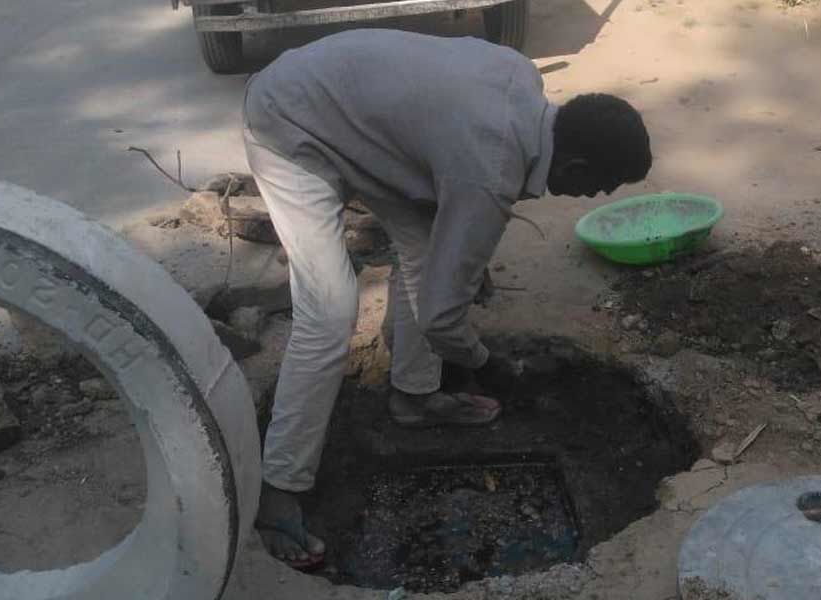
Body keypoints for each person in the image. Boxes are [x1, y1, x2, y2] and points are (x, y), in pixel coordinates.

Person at [242, 28, 652, 568]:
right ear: (574, 168)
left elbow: (451, 210)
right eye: (598, 188)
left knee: (428, 254)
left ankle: (413, 397)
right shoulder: (489, 165)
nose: (592, 198)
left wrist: (462, 263)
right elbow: (441, 316)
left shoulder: (522, 86)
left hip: (356, 120)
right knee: (330, 310)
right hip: (292, 121)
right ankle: (279, 490)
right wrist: (485, 363)